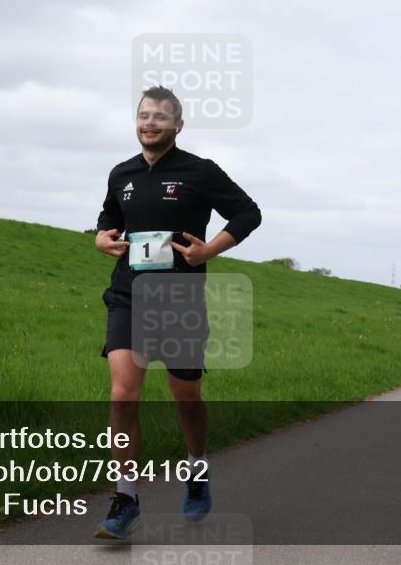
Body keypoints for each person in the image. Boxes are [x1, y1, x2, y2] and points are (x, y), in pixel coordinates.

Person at [93, 86, 261, 539]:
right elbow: (108, 219)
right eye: (144, 115)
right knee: (123, 392)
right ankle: (126, 498)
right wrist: (101, 239)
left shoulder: (199, 171)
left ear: (178, 125)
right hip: (128, 294)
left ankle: (197, 470)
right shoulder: (121, 173)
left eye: (160, 117)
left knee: (185, 395)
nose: (150, 123)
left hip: (180, 300)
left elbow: (248, 213)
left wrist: (210, 250)